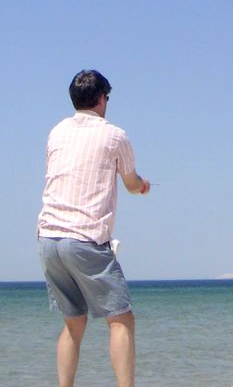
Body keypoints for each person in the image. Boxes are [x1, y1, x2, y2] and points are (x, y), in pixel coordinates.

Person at [37, 70, 151, 387]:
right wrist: (143, 186)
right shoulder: (114, 135)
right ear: (102, 99)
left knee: (74, 323)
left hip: (49, 238)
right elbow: (130, 183)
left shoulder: (56, 132)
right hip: (84, 238)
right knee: (121, 320)